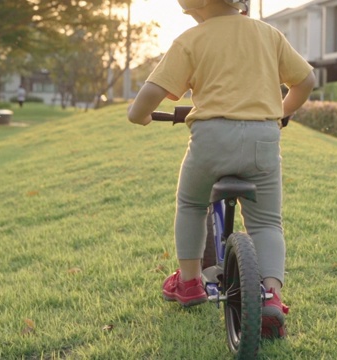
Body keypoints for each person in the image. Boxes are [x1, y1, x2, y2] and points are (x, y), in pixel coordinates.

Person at [127, 0, 315, 339]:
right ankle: (271, 293)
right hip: (263, 139)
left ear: (190, 6)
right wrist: (281, 112)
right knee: (267, 222)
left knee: (192, 204)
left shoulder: (191, 40)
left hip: (211, 139)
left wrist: (139, 116)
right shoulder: (268, 35)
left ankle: (189, 283)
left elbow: (148, 97)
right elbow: (306, 81)